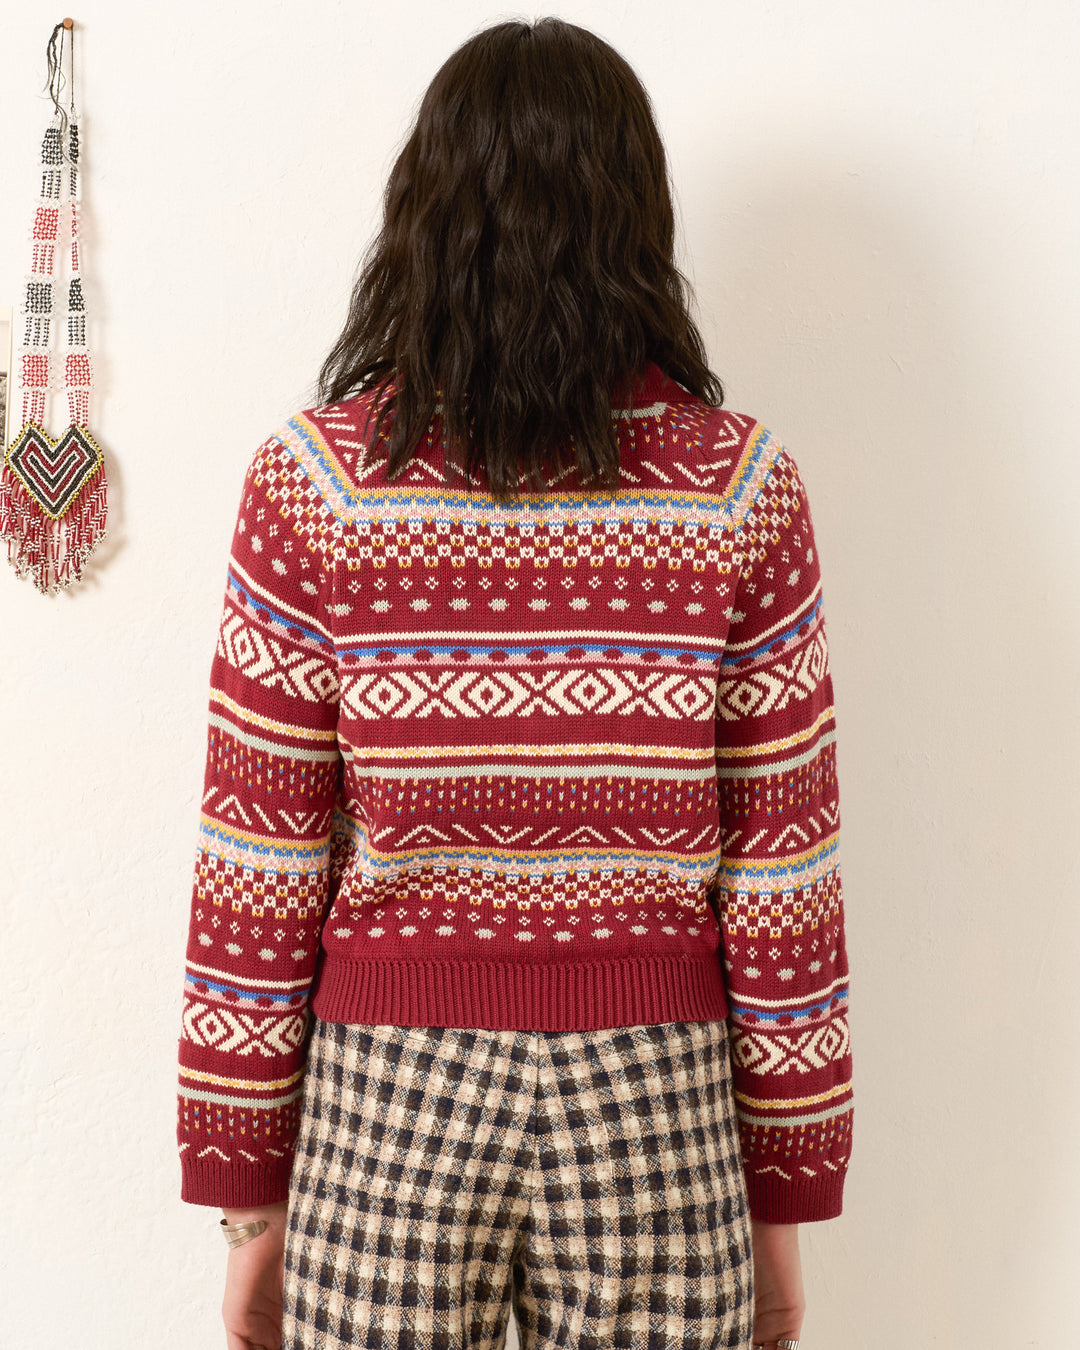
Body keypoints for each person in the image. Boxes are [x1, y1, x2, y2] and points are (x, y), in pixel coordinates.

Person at [175, 17, 853, 1350]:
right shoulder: (739, 484)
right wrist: (782, 1200)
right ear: (638, 222)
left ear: (422, 217)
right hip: (659, 1113)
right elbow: (786, 874)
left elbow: (255, 860)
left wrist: (250, 1201)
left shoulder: (313, 485)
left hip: (388, 1116)